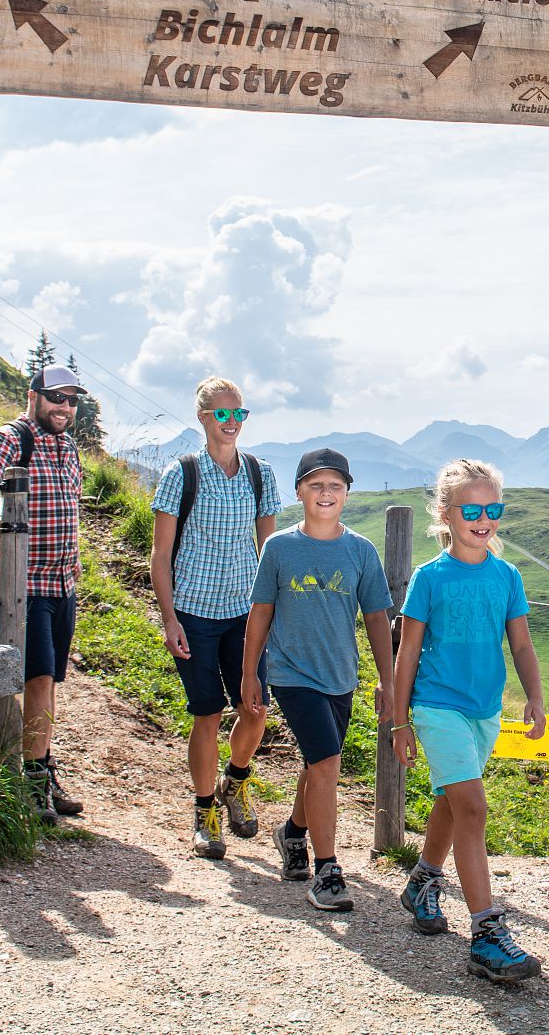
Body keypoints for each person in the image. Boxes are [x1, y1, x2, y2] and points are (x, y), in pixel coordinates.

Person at [391, 458, 547, 984]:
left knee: (451, 803)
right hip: (437, 706)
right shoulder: (429, 578)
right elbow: (407, 652)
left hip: (485, 709)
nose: (484, 518)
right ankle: (486, 934)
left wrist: (535, 698)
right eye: (472, 509)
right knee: (473, 808)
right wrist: (399, 720)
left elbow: (521, 643)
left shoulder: (507, 576)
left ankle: (422, 882)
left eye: (493, 508)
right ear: (446, 513)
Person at [240, 448, 394, 911]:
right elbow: (261, 611)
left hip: (341, 676)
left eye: (334, 486)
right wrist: (251, 673)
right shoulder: (280, 547)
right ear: (299, 491)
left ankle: (292, 833)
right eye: (315, 485)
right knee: (327, 764)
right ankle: (327, 871)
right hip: (291, 674)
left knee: (315, 765)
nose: (325, 493)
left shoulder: (361, 551)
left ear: (347, 493)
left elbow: (376, 620)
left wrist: (388, 680)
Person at [150, 377, 280, 859]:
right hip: (194, 611)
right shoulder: (181, 474)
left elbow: (268, 550)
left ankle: (235, 782)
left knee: (255, 709)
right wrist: (170, 620)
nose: (231, 423)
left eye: (239, 414)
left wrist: (272, 611)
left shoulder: (259, 474)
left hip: (245, 612)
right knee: (207, 713)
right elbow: (160, 555)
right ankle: (205, 812)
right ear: (203, 417)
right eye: (222, 414)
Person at [0, 364, 87, 822]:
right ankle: (29, 784)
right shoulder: (12, 438)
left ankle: (41, 770)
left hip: (62, 582)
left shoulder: (68, 447)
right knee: (38, 679)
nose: (64, 407)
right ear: (34, 397)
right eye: (56, 398)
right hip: (24, 582)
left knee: (49, 684)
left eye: (71, 400)